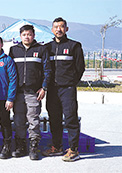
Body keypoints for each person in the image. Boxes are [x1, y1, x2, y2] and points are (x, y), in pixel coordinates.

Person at [42, 17, 85, 162]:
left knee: (70, 118)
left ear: (66, 29)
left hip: (67, 89)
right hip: (52, 90)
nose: (58, 29)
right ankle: (57, 146)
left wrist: (71, 82)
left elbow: (80, 68)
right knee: (54, 118)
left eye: (61, 26)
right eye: (56, 27)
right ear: (52, 29)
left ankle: (73, 149)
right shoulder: (47, 47)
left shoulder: (74, 46)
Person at [9, 24, 51, 160]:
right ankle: (21, 146)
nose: (27, 37)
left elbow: (47, 70)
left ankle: (33, 147)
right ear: (20, 36)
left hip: (34, 92)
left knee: (33, 120)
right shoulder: (14, 50)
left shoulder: (41, 49)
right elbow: (10, 72)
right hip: (18, 92)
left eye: (29, 34)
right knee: (19, 120)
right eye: (24, 34)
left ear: (34, 35)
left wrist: (44, 87)